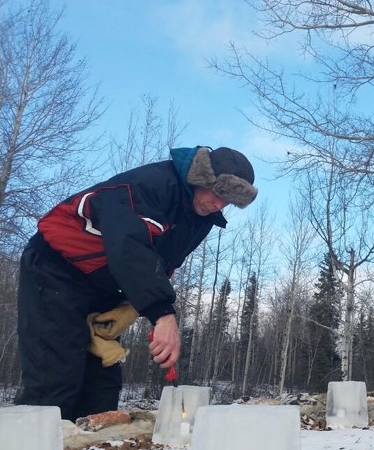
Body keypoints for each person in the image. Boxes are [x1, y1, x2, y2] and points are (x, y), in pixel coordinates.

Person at [15, 146, 258, 421]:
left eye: (227, 202)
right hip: (56, 268)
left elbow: (163, 262)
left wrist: (130, 305)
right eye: (217, 193)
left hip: (105, 285)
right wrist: (161, 314)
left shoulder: (201, 217)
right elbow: (130, 246)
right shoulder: (152, 185)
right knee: (56, 380)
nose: (218, 205)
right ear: (201, 178)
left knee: (102, 387)